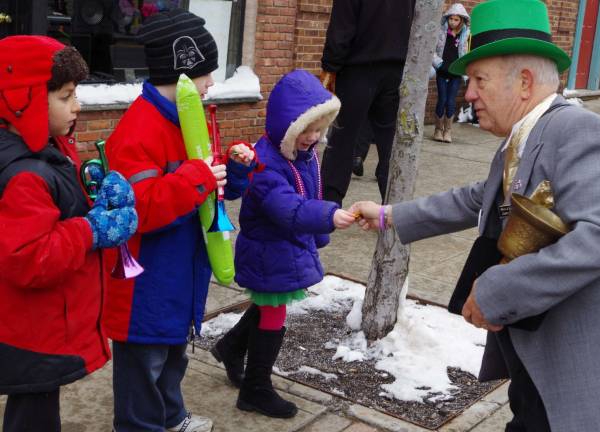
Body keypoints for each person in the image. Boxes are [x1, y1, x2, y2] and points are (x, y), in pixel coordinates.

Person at [350, 0, 600, 430]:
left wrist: (497, 291)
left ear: (524, 82)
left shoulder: (583, 133)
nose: (468, 93)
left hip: (582, 369)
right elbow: (478, 199)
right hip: (541, 358)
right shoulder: (525, 138)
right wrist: (390, 216)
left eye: (478, 80)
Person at [103, 10, 256, 432]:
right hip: (146, 283)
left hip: (181, 272)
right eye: (206, 73)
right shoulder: (138, 131)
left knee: (174, 353)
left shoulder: (192, 117)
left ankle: (170, 417)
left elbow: (210, 189)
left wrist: (235, 171)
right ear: (182, 70)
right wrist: (198, 177)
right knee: (143, 365)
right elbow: (140, 210)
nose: (212, 84)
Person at [0, 36, 136, 431]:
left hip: (39, 326)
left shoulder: (48, 148)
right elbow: (28, 257)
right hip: (32, 331)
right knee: (34, 416)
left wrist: (96, 201)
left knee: (38, 408)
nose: (77, 106)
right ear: (22, 99)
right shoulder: (24, 174)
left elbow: (59, 211)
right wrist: (92, 230)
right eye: (65, 96)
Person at [210, 70, 356, 419]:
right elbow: (287, 208)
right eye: (306, 130)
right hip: (268, 251)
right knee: (273, 311)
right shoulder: (266, 165)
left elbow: (309, 191)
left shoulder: (299, 155)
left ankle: (231, 347)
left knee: (269, 305)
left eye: (319, 130)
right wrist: (329, 217)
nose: (314, 137)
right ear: (286, 126)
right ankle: (255, 388)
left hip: (282, 250)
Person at [319, 0, 415, 205]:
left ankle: (328, 206)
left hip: (358, 69)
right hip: (396, 67)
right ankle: (394, 209)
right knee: (391, 143)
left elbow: (342, 25)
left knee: (342, 140)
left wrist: (330, 66)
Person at [431, 3, 470, 143]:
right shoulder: (441, 32)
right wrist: (439, 64)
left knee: (450, 101)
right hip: (442, 71)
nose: (453, 22)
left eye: (456, 19)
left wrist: (464, 70)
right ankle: (437, 130)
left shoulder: (464, 35)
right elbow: (432, 51)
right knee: (442, 99)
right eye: (451, 19)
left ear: (461, 20)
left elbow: (464, 53)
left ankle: (447, 131)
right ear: (447, 18)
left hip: (455, 73)